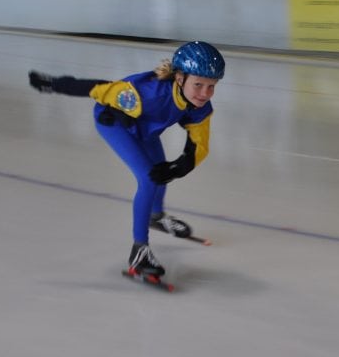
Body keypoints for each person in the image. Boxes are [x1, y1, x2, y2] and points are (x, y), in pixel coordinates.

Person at [28, 40, 224, 279]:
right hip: (114, 123)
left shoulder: (200, 107)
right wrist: (52, 84)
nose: (205, 93)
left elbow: (199, 146)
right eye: (199, 84)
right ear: (180, 78)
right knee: (149, 179)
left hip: (145, 128)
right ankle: (139, 252)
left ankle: (156, 217)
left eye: (211, 86)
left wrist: (177, 167)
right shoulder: (147, 93)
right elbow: (96, 88)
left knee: (162, 174)